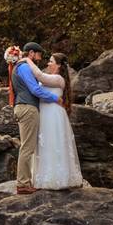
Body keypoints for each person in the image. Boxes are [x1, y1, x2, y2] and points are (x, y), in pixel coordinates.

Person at [22, 52, 84, 190]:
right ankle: (44, 177)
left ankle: (58, 178)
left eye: (51, 61)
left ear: (59, 65)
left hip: (54, 115)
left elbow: (39, 76)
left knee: (54, 143)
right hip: (44, 114)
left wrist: (26, 59)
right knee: (45, 143)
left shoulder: (58, 79)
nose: (48, 64)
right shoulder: (51, 77)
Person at [10, 42, 60, 194]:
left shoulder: (19, 66)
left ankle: (24, 182)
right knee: (27, 147)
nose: (39, 58)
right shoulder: (24, 67)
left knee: (27, 146)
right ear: (31, 53)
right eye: (38, 55)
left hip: (22, 107)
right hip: (28, 108)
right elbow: (35, 89)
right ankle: (23, 184)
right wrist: (54, 98)